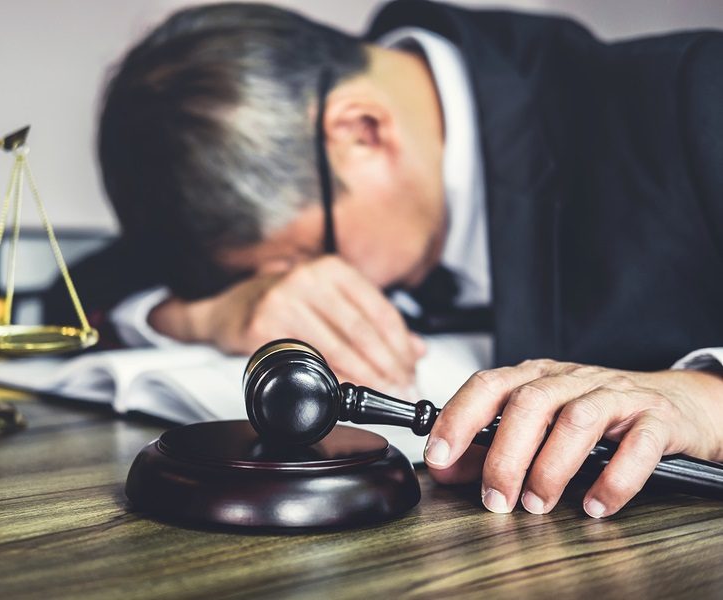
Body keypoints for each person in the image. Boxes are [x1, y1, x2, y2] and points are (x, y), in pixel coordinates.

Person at [63, 0, 723, 518]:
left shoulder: (696, 98)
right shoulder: (282, 169)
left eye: (298, 258)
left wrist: (708, 404)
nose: (302, 287)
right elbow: (89, 282)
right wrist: (207, 313)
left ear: (361, 131)